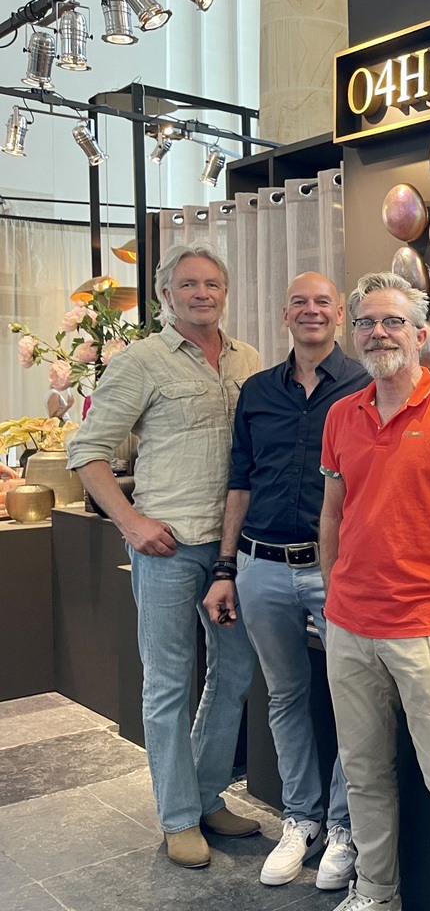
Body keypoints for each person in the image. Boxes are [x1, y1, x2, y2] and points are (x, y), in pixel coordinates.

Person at [67, 242, 262, 869]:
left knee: (234, 674)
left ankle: (205, 797)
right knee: (169, 683)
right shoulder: (141, 362)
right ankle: (178, 817)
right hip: (168, 549)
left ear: (225, 292)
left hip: (232, 550)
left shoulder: (248, 360)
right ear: (165, 295)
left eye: (212, 284)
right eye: (189, 284)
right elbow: (87, 451)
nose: (202, 293)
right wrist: (131, 523)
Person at [319, 272, 430, 911]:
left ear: (421, 333)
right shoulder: (342, 415)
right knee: (363, 775)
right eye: (367, 322)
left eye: (393, 321)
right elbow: (332, 515)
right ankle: (375, 894)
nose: (379, 332)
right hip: (350, 627)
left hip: (429, 628)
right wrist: (333, 597)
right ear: (354, 334)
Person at [201, 273, 366, 889]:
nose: (311, 310)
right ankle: (302, 819)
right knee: (285, 696)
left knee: (352, 697)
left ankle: (344, 827)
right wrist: (225, 568)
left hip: (336, 570)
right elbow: (239, 482)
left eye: (323, 301)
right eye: (300, 302)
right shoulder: (258, 391)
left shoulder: (363, 385)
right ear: (285, 314)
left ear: (339, 314)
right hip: (261, 567)